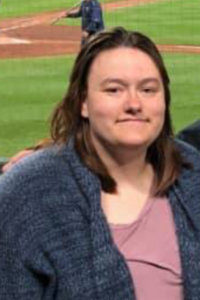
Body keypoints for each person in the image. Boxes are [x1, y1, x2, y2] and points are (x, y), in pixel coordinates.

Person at [0, 27, 200, 300]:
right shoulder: (26, 195)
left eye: (148, 89)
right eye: (114, 89)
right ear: (83, 102)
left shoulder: (192, 175)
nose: (134, 103)